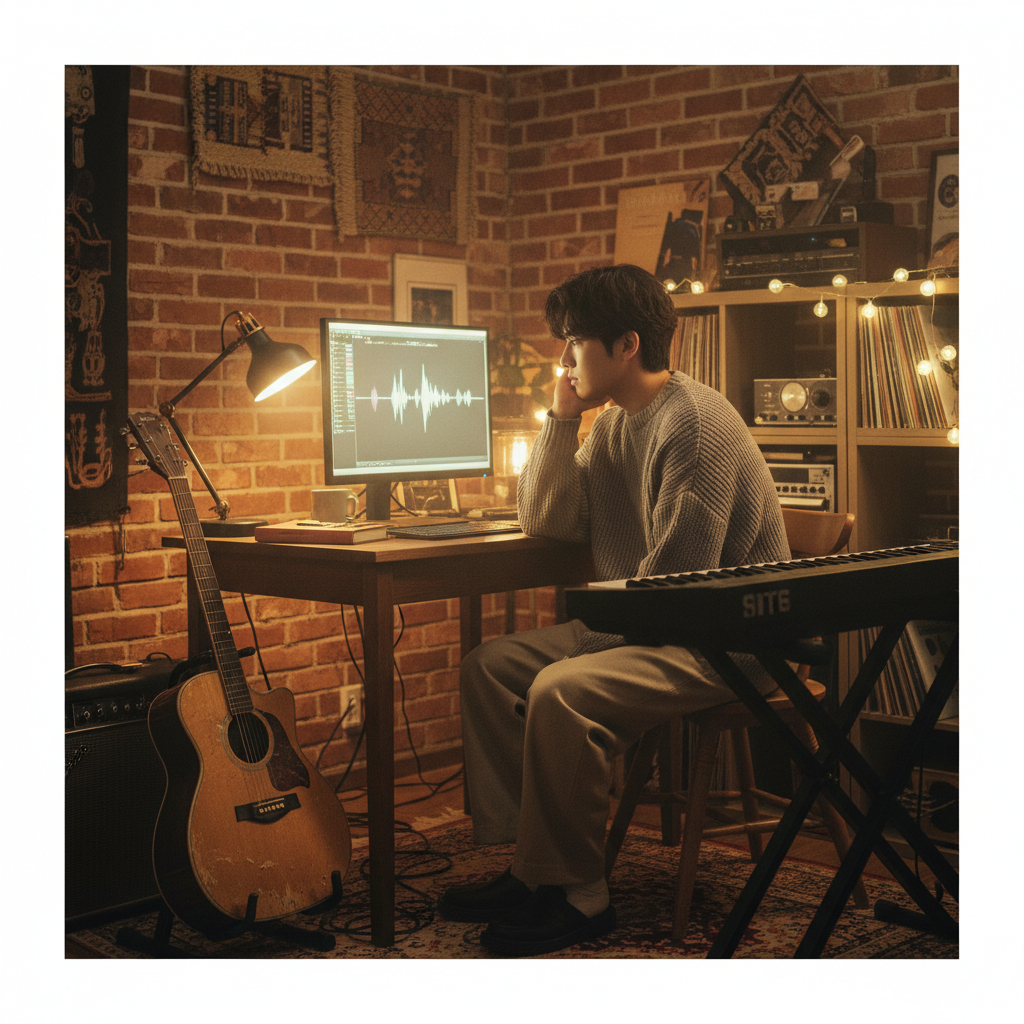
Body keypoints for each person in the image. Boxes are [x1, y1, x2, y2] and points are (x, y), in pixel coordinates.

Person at [437, 264, 790, 956]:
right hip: (647, 623)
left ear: (625, 345)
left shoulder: (692, 426)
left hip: (723, 640)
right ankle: (532, 868)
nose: (562, 360)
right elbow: (547, 521)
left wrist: (580, 651)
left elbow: (674, 591)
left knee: (561, 689)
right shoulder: (613, 424)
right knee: (491, 667)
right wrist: (562, 420)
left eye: (573, 343)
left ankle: (579, 895)